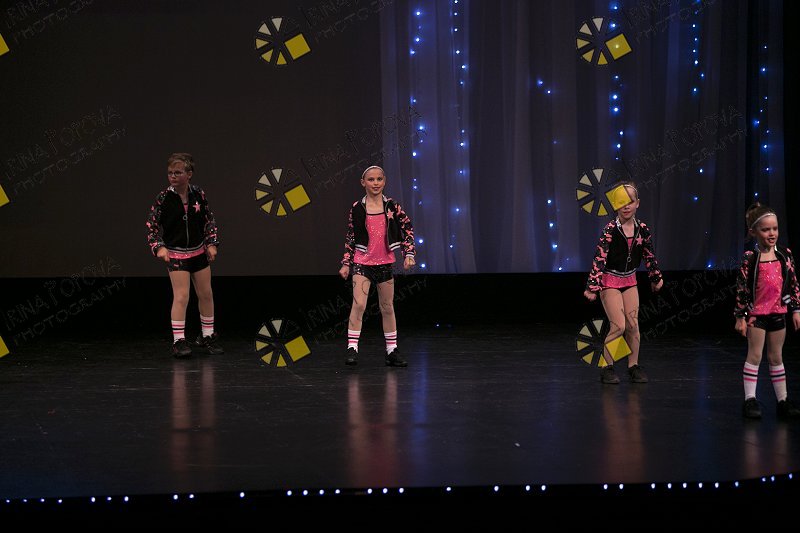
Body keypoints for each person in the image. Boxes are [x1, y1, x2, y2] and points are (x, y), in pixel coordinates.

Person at [583, 181, 663, 384]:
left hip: (630, 280)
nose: (626, 206)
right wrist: (592, 286)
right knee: (618, 325)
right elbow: (599, 258)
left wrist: (655, 277)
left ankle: (633, 366)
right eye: (621, 202)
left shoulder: (642, 229)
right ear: (615, 205)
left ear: (637, 203)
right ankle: (607, 367)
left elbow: (649, 255)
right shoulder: (610, 229)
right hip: (610, 281)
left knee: (633, 325)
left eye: (630, 202)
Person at [146, 153, 223, 358]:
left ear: (189, 174)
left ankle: (207, 335)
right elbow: (152, 227)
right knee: (181, 296)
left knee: (206, 294)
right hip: (177, 254)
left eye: (178, 172)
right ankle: (179, 340)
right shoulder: (163, 198)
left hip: (198, 252)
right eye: (170, 173)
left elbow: (209, 220)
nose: (173, 176)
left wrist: (211, 243)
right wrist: (159, 247)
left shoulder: (198, 194)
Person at [338, 165, 416, 367]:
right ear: (363, 183)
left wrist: (408, 253)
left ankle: (391, 350)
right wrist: (346, 262)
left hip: (384, 263)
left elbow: (407, 228)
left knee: (387, 307)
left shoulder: (392, 206)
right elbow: (351, 236)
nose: (375, 183)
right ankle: (352, 347)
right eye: (371, 179)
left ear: (384, 181)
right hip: (362, 262)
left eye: (379, 179)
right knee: (359, 304)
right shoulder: (357, 208)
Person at [734, 202, 800, 419]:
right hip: (757, 315)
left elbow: (792, 283)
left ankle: (783, 400)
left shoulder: (784, 255)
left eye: (775, 228)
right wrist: (741, 316)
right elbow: (742, 289)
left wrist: (795, 309)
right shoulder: (750, 258)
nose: (772, 233)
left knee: (776, 357)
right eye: (765, 230)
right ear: (753, 232)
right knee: (754, 355)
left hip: (778, 312)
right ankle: (750, 399)